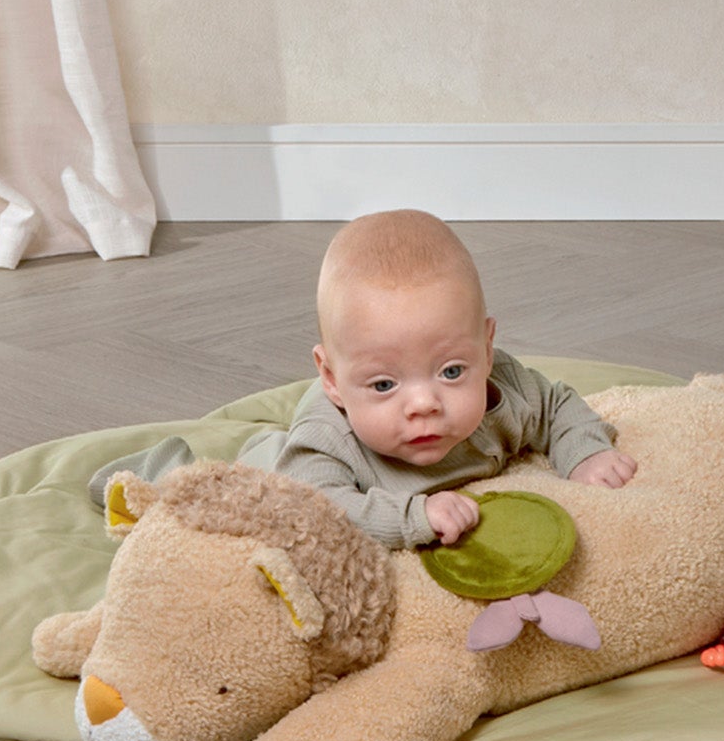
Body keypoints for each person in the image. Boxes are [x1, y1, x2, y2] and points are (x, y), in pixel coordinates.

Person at [90, 210, 637, 549]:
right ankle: (160, 470)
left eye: (451, 371)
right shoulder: (324, 447)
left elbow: (559, 405)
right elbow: (327, 516)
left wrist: (583, 453)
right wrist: (413, 516)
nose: (424, 403)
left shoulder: (506, 391)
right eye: (383, 385)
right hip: (279, 478)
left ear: (487, 349)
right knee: (219, 501)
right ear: (330, 378)